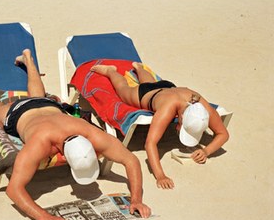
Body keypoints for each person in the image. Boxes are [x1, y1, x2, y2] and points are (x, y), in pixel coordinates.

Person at [0, 49, 151, 220]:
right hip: (18, 113)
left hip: (46, 105)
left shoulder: (89, 134)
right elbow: (13, 189)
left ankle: (26, 58)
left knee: (37, 97)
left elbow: (130, 161)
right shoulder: (43, 143)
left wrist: (136, 199)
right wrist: (46, 218)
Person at [90, 63, 229, 190]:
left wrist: (206, 151)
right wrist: (160, 175)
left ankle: (139, 69)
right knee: (122, 89)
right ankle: (111, 71)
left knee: (152, 83)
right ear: (180, 117)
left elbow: (223, 134)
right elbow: (150, 143)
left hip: (167, 86)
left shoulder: (200, 105)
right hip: (145, 94)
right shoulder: (167, 109)